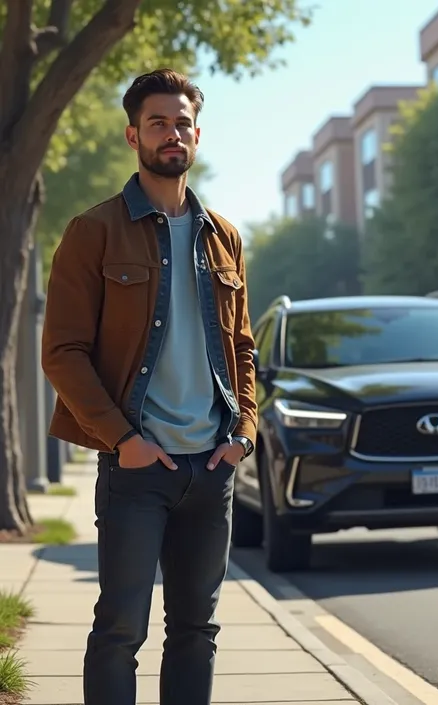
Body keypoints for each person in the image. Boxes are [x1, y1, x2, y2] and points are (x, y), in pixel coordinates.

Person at [41, 68, 257, 705]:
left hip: (212, 465)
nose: (172, 133)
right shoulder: (93, 231)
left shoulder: (225, 237)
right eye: (158, 123)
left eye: (182, 122)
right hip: (138, 468)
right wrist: (123, 439)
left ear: (198, 134)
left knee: (196, 630)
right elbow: (62, 352)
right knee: (119, 630)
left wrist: (242, 433)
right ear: (133, 134)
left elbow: (242, 347)